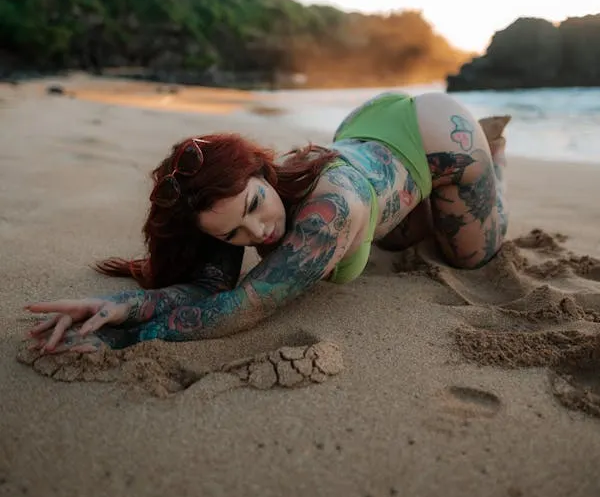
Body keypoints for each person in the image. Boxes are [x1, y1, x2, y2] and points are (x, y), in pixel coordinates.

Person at [25, 92, 510, 354]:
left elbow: (243, 308)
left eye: (257, 204)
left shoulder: (327, 215)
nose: (258, 234)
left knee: (469, 255)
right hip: (368, 130)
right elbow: (210, 290)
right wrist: (118, 306)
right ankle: (423, 196)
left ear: (260, 169)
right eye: (232, 233)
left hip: (442, 136)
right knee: (405, 233)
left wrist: (116, 341)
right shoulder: (228, 204)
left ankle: (493, 153)